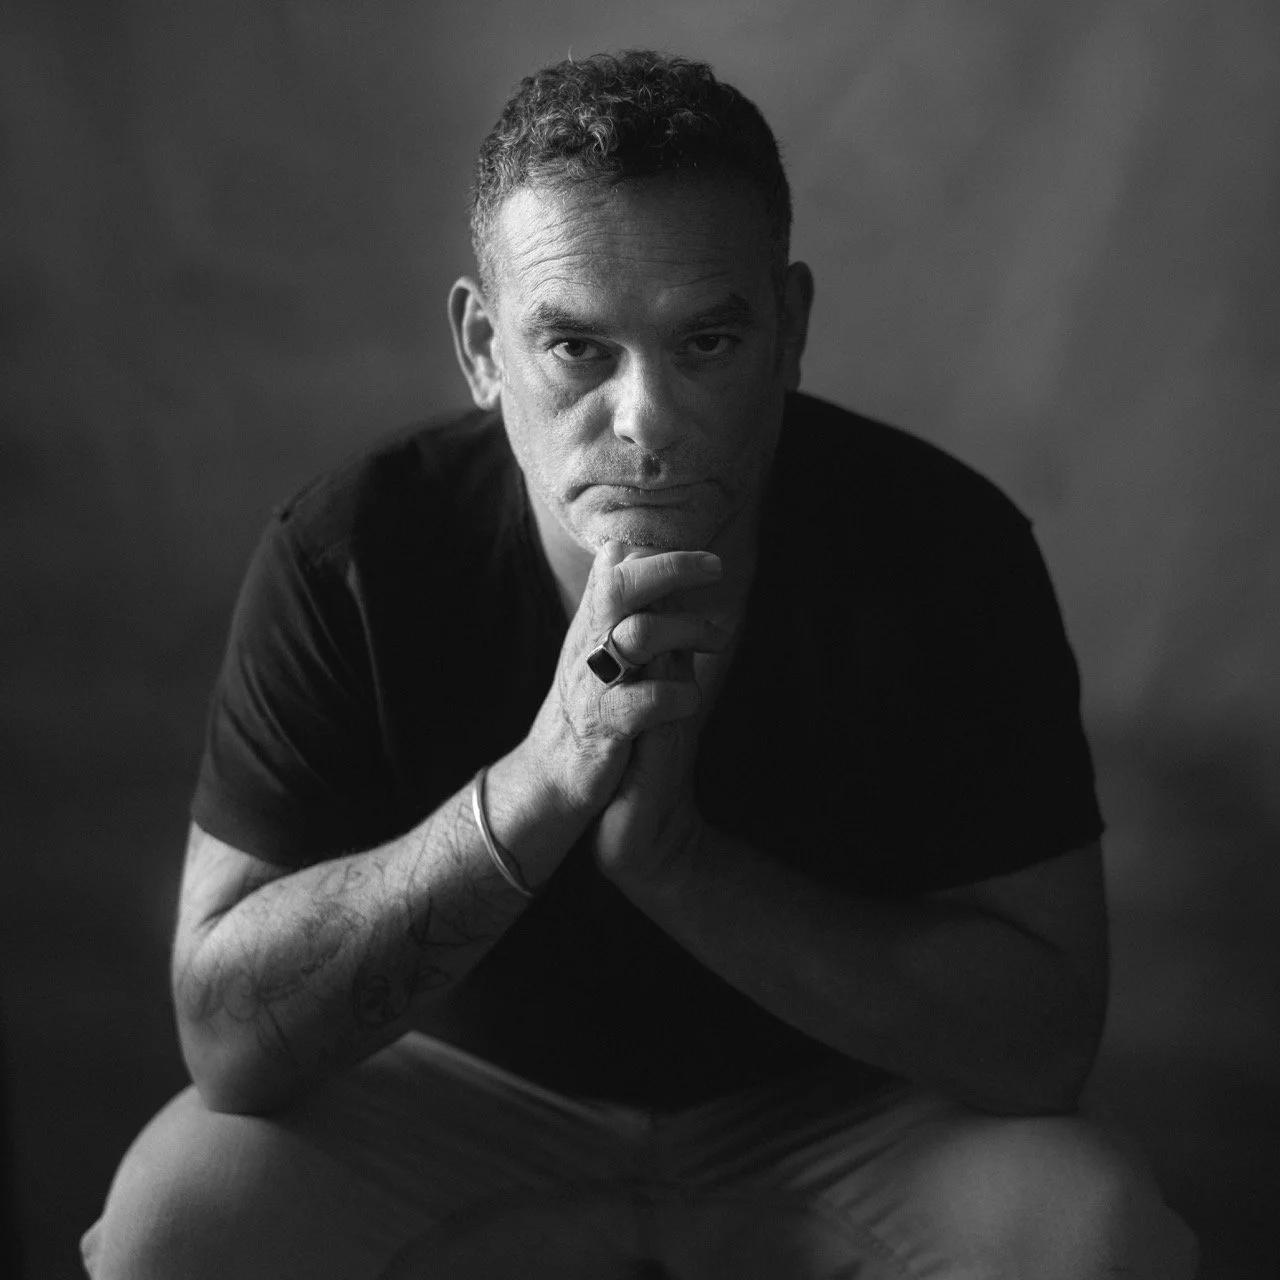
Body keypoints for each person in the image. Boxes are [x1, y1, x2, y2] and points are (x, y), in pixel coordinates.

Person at [83, 50, 1198, 1279]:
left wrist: (677, 865)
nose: (646, 417)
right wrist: (547, 778)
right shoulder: (348, 554)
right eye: (573, 347)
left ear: (789, 330)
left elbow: (1043, 1044)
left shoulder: (947, 547)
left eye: (707, 340)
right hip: (448, 1099)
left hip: (839, 1107)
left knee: (1096, 1234)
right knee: (172, 1226)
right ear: (480, 345)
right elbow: (225, 1042)